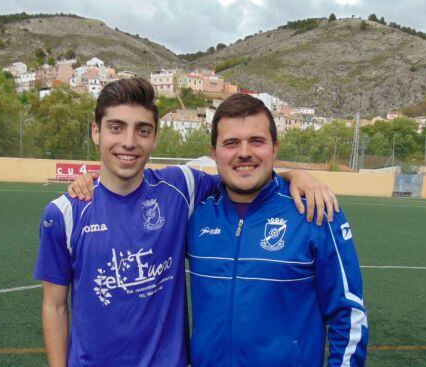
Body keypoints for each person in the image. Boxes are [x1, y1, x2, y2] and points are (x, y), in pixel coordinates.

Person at [34, 78, 338, 367]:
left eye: (142, 130)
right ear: (96, 132)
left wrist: (294, 176)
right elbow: (54, 306)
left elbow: (242, 175)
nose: (128, 142)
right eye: (116, 128)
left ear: (154, 138)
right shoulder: (64, 213)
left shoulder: (181, 187)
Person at [187, 93, 368, 366]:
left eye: (256, 141)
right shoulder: (196, 213)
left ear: (275, 149)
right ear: (214, 153)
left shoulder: (314, 210)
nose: (244, 152)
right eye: (231, 143)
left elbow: (349, 314)